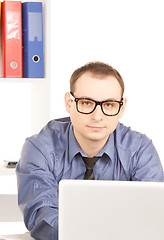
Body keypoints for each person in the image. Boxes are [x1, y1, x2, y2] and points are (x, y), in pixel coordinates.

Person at [16, 61, 164, 240]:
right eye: (86, 103)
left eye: (109, 104)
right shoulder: (39, 148)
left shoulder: (140, 150)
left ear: (121, 108)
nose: (97, 116)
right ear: (69, 103)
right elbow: (42, 218)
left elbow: (151, 217)